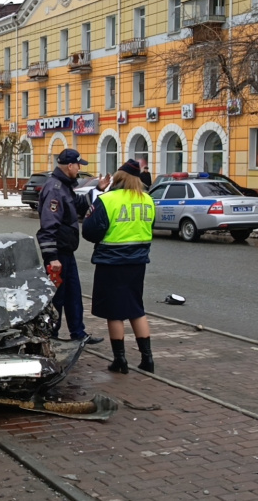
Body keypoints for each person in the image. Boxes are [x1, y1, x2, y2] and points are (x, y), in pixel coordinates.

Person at [81, 158, 156, 374]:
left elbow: (90, 231)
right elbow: (151, 226)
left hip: (111, 262)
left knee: (114, 312)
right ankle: (147, 359)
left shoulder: (107, 200)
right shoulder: (148, 200)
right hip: (138, 262)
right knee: (136, 308)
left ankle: (120, 360)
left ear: (119, 178)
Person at [37, 148, 110, 344]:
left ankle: (78, 333)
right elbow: (48, 226)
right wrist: (52, 258)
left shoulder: (64, 186)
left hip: (66, 252)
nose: (79, 168)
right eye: (78, 165)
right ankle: (51, 336)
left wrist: (98, 189)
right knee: (56, 298)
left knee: (73, 295)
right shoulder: (55, 189)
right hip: (58, 255)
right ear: (70, 166)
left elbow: (78, 204)